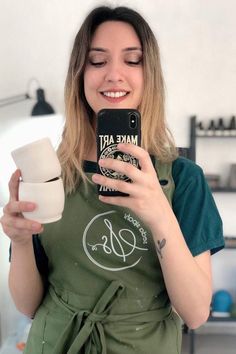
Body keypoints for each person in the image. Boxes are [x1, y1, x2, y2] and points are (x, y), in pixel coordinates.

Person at [0, 6, 224, 354]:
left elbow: (195, 313)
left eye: (132, 60)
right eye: (98, 61)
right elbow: (28, 306)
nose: (114, 75)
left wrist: (158, 212)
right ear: (79, 74)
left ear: (149, 75)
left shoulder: (184, 179)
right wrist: (22, 242)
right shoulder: (50, 175)